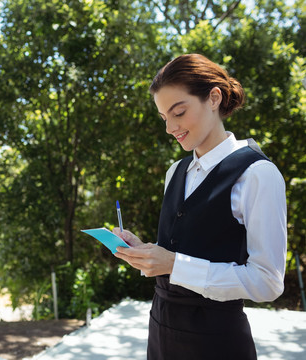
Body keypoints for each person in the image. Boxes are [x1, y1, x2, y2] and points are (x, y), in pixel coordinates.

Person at [113, 54, 287, 359]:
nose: (170, 127)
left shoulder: (257, 174)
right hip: (161, 331)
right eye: (164, 117)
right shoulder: (175, 172)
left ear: (214, 98)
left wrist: (174, 265)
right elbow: (183, 248)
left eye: (178, 112)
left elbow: (267, 282)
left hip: (216, 342)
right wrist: (146, 253)